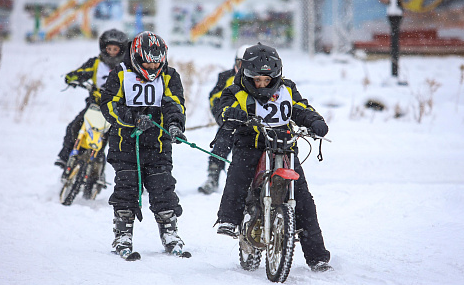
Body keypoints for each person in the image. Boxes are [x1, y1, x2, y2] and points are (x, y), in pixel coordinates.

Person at [214, 43, 333, 272]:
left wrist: (314, 121)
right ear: (246, 75)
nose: (261, 84)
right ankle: (228, 218)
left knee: (304, 200)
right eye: (256, 80)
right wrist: (231, 114)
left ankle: (317, 257)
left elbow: (300, 107)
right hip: (251, 144)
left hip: (284, 146)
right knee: (238, 177)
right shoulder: (234, 90)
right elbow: (223, 109)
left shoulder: (287, 88)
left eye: (266, 80)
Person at [99, 31, 187, 259]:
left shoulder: (169, 76)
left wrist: (175, 125)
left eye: (157, 61)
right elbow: (108, 105)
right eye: (148, 61)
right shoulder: (121, 73)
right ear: (137, 57)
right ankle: (122, 234)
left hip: (158, 144)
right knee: (127, 188)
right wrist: (133, 118)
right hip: (125, 144)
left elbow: (174, 104)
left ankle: (170, 232)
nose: (152, 66)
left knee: (163, 188)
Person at [54, 28, 128, 185]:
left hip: (114, 110)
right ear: (103, 48)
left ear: (122, 50)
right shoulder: (95, 63)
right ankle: (64, 156)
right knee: (74, 127)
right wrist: (71, 78)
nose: (112, 52)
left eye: (116, 49)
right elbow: (80, 72)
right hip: (94, 105)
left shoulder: (126, 67)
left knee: (110, 139)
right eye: (109, 49)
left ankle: (100, 171)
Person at [198, 44, 251, 195]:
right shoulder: (226, 77)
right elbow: (214, 98)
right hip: (230, 124)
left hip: (251, 127)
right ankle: (213, 177)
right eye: (241, 64)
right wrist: (222, 118)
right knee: (220, 147)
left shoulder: (260, 81)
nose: (243, 69)